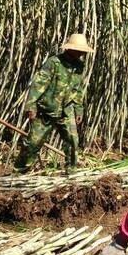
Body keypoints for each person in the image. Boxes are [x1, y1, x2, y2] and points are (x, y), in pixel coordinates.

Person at [15, 33, 92, 173]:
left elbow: (77, 89)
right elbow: (38, 84)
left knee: (73, 141)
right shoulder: (54, 62)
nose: (81, 53)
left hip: (66, 109)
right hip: (47, 108)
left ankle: (71, 170)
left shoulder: (79, 66)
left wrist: (79, 109)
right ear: (70, 49)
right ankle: (20, 171)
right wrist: (31, 105)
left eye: (83, 51)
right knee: (33, 142)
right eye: (79, 50)